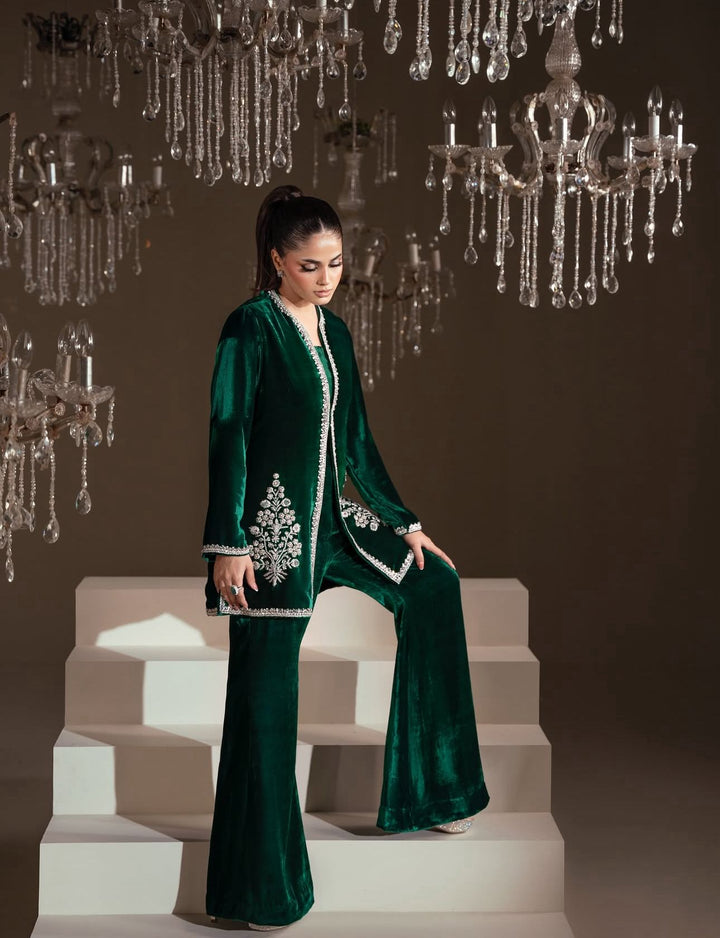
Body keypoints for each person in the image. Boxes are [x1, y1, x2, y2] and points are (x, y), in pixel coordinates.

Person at [201, 185, 490, 930]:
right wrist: (227, 542)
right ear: (277, 261)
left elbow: (356, 438)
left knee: (435, 585)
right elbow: (229, 432)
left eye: (335, 263)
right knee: (265, 702)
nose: (327, 277)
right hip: (272, 533)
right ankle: (263, 890)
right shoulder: (249, 328)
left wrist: (405, 522)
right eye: (310, 265)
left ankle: (437, 791)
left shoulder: (335, 331)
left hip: (340, 524)